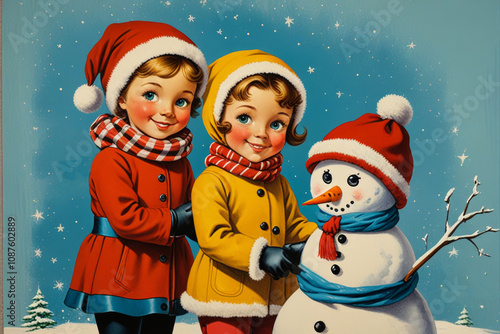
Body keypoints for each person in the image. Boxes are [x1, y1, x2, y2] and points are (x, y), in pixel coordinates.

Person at [64, 21, 208, 334]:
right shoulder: (111, 159)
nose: (167, 110)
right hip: (119, 270)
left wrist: (213, 228)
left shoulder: (180, 162)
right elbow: (124, 218)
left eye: (181, 100)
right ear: (122, 99)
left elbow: (196, 212)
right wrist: (174, 220)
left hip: (167, 273)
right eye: (151, 94)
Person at [181, 50, 318, 334]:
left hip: (275, 297)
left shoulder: (278, 183)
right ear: (218, 118)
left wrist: (315, 240)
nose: (261, 133)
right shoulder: (212, 181)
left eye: (277, 123)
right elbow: (213, 238)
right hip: (225, 298)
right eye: (245, 118)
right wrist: (262, 254)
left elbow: (293, 224)